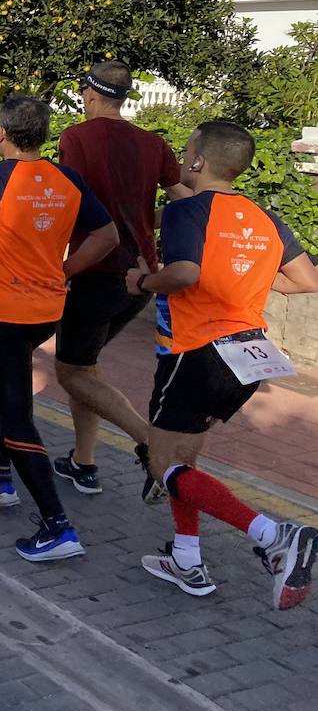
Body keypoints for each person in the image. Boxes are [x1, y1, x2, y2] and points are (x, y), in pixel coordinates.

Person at [131, 121, 318, 606]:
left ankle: (275, 536)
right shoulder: (264, 217)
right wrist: (252, 285)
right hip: (247, 358)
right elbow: (304, 279)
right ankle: (186, 560)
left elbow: (185, 273)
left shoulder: (186, 210)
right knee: (185, 458)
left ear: (197, 160)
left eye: (186, 150)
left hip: (196, 351)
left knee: (162, 460)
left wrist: (141, 282)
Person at [0, 96, 118, 561]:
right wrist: (66, 270)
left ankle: (58, 526)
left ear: (1, 133)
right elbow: (108, 236)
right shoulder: (66, 180)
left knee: (16, 415)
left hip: (2, 314)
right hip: (44, 311)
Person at [52, 60, 193, 496]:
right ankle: (84, 462)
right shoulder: (154, 143)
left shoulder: (74, 137)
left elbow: (68, 201)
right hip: (140, 278)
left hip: (95, 271)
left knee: (71, 373)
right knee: (86, 367)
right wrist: (153, 229)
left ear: (89, 95)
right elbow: (186, 201)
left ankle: (152, 446)